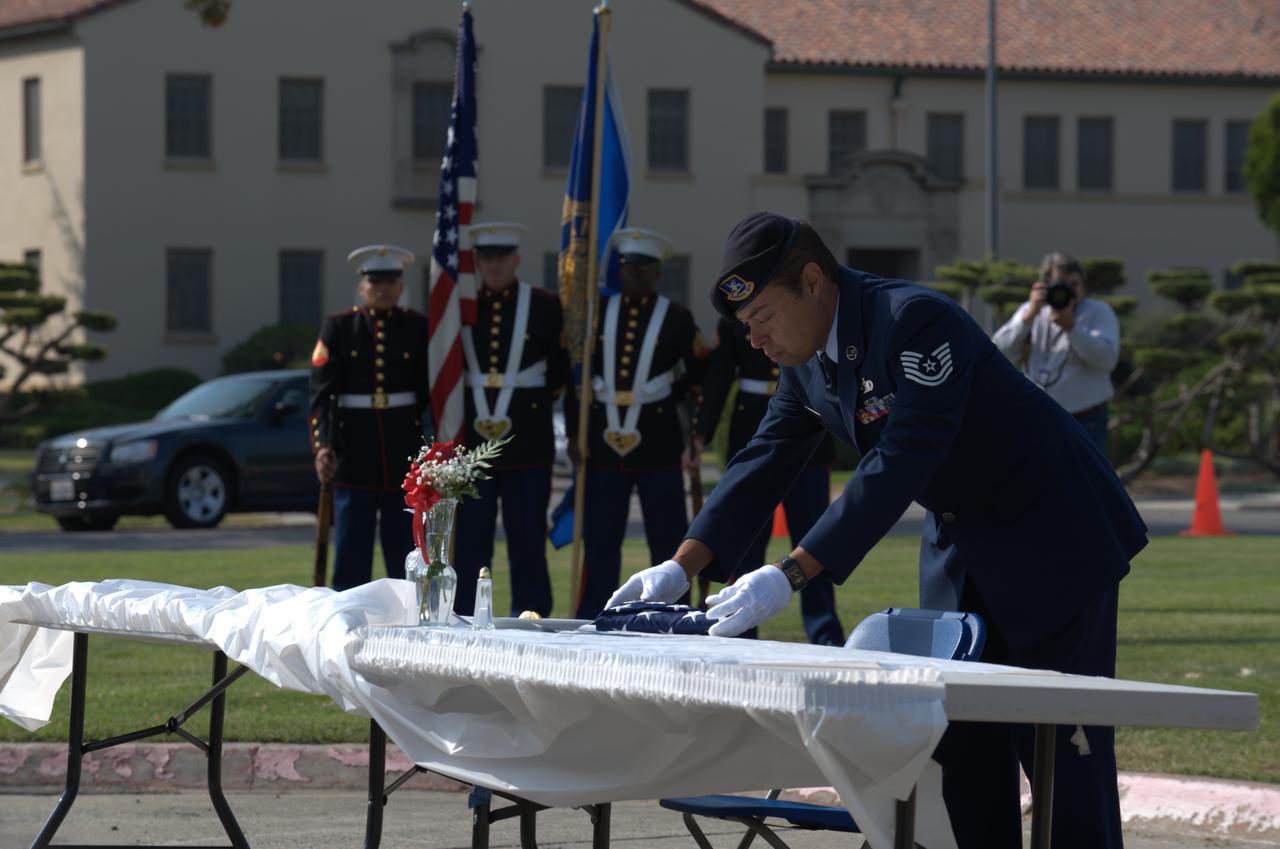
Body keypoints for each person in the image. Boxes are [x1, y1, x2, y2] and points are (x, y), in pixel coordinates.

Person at [607, 213, 1147, 849]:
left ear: (812, 281)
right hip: (961, 544)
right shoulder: (807, 361)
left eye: (762, 320)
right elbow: (764, 459)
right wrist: (681, 566)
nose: (756, 341)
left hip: (1054, 540)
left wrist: (793, 572)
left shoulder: (913, 321)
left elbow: (904, 457)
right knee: (961, 757)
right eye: (746, 328)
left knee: (1063, 761)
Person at [571, 227, 708, 619]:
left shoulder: (678, 318)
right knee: (600, 540)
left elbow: (701, 367)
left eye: (643, 268)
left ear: (657, 273)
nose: (634, 274)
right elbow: (576, 374)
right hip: (601, 444)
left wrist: (677, 396)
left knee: (666, 539)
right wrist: (576, 433)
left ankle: (671, 613)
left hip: (658, 443)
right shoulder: (594, 316)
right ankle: (594, 613)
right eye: (628, 267)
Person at [688, 317, 844, 645]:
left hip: (811, 438)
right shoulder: (734, 321)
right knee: (745, 546)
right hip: (754, 428)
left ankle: (824, 635)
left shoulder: (803, 311)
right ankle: (739, 631)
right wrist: (702, 431)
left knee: (813, 542)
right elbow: (719, 375)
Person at [452, 222, 569, 618]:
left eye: (502, 258)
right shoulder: (461, 304)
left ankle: (531, 612)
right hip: (471, 447)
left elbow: (558, 371)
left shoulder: (544, 305)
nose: (494, 265)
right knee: (470, 539)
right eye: (486, 258)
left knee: (527, 537)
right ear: (477, 262)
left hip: (527, 439)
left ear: (516, 259)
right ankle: (465, 612)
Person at [309, 245, 431, 591]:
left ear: (401, 285)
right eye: (375, 281)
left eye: (390, 281)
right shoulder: (339, 328)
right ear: (361, 286)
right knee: (350, 554)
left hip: (403, 458)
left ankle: (405, 623)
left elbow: (430, 393)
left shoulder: (418, 328)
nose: (382, 288)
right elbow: (320, 397)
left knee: (403, 555)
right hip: (353, 456)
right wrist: (322, 448)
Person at [992, 252, 1121, 451]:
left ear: (1084, 286)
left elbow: (1106, 361)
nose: (1068, 291)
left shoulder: (1098, 312)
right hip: (1037, 416)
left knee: (1082, 481)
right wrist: (1028, 317)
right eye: (1061, 284)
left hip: (1086, 420)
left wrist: (1071, 327)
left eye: (1074, 284)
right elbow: (998, 351)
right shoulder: (1032, 310)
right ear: (1046, 286)